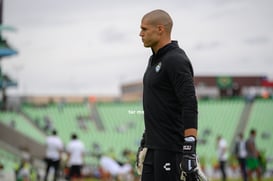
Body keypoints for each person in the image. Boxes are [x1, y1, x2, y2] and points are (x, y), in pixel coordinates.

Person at [136, 9, 207, 181]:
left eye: (144, 29)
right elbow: (158, 105)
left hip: (171, 149)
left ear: (160, 29)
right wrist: (146, 140)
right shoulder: (153, 60)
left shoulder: (176, 59)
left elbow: (189, 104)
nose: (140, 34)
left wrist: (190, 149)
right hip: (154, 148)